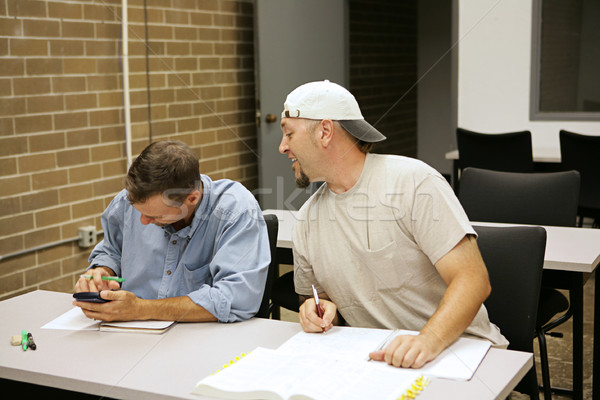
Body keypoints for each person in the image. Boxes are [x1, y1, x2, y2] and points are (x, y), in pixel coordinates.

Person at [278, 80, 508, 369]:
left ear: (325, 132)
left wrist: (427, 340)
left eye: (288, 133)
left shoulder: (414, 183)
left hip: (459, 353)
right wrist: (320, 311)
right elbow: (321, 300)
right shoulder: (308, 218)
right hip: (378, 360)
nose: (282, 147)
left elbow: (473, 281)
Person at [74, 140, 270, 323]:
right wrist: (101, 271)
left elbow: (236, 298)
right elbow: (111, 251)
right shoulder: (126, 203)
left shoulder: (234, 210)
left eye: (154, 216)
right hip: (128, 333)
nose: (143, 221)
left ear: (192, 199)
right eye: (139, 211)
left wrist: (141, 309)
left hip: (200, 338)